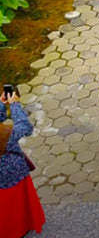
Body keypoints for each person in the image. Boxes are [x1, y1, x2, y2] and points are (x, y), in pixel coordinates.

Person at [0, 88, 45, 238]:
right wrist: (14, 105)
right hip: (13, 174)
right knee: (17, 206)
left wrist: (1, 104)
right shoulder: (5, 134)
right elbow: (25, 128)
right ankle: (19, 230)